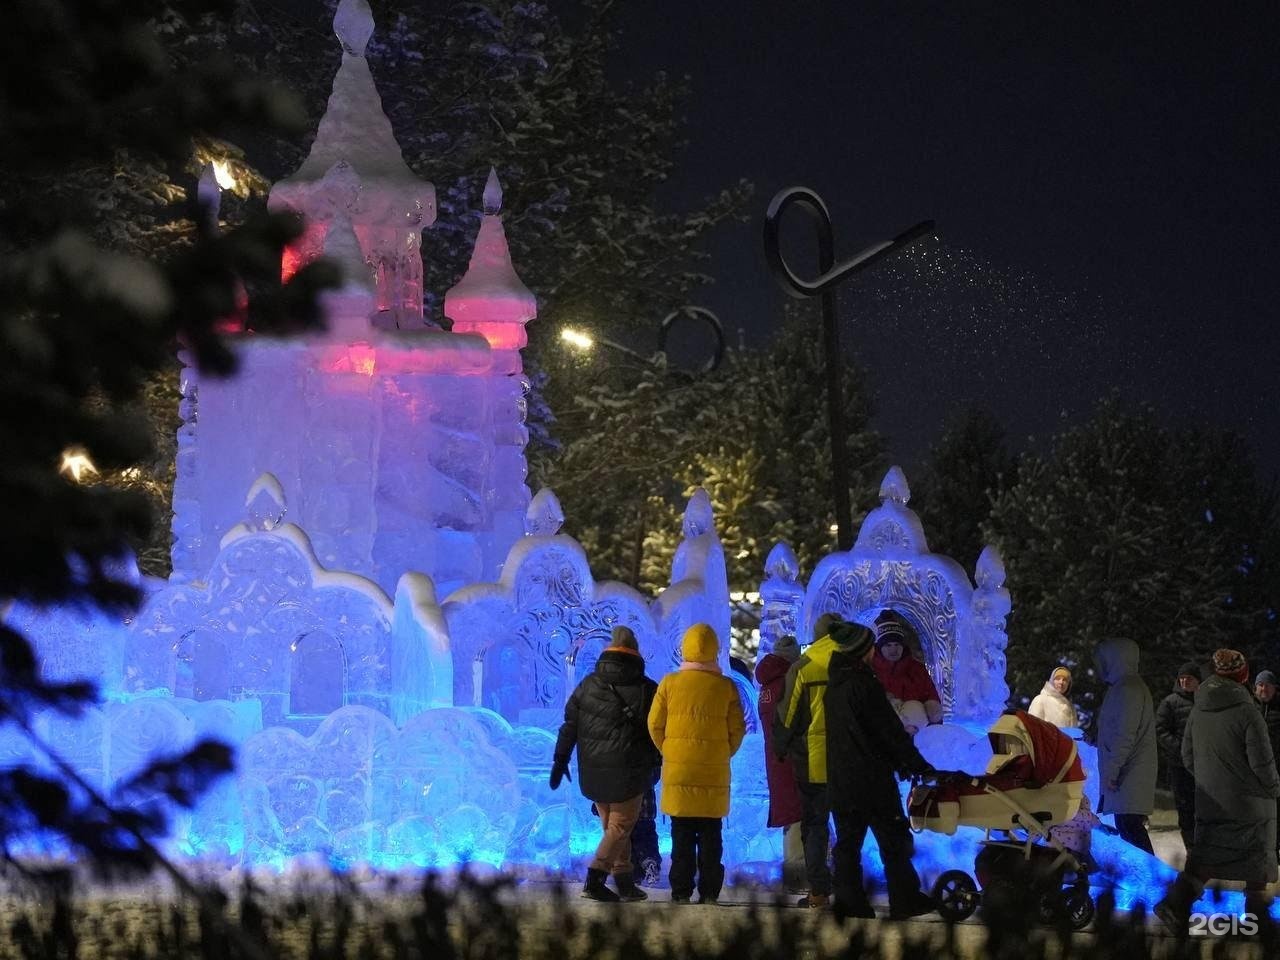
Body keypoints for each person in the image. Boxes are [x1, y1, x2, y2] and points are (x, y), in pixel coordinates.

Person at [1156, 649, 1280, 932]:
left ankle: (1176, 904)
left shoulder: (1199, 710)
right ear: (1243, 676)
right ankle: (1257, 919)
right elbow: (1262, 762)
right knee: (1256, 857)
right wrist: (1274, 787)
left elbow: (1187, 755)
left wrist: (1211, 780)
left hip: (1211, 799)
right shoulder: (1248, 712)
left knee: (1209, 856)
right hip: (1249, 804)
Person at [824, 619, 936, 921]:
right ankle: (905, 897)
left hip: (841, 776)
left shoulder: (834, 685)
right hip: (871, 776)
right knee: (893, 838)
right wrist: (914, 763)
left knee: (848, 842)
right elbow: (887, 730)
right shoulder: (865, 684)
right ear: (863, 651)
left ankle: (849, 901)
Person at [550, 625, 661, 902]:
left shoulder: (587, 684)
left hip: (593, 772)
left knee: (612, 827)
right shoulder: (647, 689)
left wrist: (560, 758)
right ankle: (595, 879)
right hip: (630, 772)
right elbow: (658, 729)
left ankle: (624, 880)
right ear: (635, 653)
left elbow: (570, 724)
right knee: (621, 827)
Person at [647, 623, 745, 905]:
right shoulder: (726, 687)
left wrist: (669, 749)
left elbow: (654, 724)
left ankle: (680, 891)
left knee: (681, 836)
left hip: (679, 770)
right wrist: (723, 752)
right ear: (715, 650)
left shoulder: (669, 683)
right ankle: (710, 891)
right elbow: (737, 729)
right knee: (712, 836)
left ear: (685, 650)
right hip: (714, 772)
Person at [773, 612, 843, 907]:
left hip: (811, 762)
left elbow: (787, 717)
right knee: (849, 826)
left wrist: (781, 746)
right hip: (848, 762)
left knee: (815, 826)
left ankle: (818, 891)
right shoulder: (854, 664)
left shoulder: (804, 667)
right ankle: (851, 887)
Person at [1093, 637, 1157, 854]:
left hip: (1128, 775)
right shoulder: (1124, 686)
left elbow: (1124, 735)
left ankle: (1152, 880)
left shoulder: (1128, 689)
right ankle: (1150, 879)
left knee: (1131, 829)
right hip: (1128, 775)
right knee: (1129, 828)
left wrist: (1112, 771)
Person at [755, 635, 803, 831]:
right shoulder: (789, 682)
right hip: (793, 754)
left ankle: (794, 853)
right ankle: (799, 857)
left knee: (787, 805)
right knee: (798, 808)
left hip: (774, 755)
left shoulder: (766, 684)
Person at [1156, 661, 1201, 851]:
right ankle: (1191, 849)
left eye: (1188, 678)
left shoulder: (1207, 701)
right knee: (1185, 808)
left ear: (1198, 680)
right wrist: (1181, 749)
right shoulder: (1170, 702)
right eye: (1181, 678)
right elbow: (1160, 730)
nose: (1184, 681)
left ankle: (1205, 848)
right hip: (1180, 765)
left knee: (1205, 809)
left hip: (1205, 766)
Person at [870, 617, 942, 735]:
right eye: (888, 645)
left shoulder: (917, 669)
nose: (893, 650)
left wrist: (933, 712)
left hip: (916, 734)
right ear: (879, 647)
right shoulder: (869, 670)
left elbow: (931, 696)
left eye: (897, 644)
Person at [1255, 668, 1280, 863]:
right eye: (1260, 685)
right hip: (1254, 773)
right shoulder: (1249, 709)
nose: (1264, 689)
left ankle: (1275, 852)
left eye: (1267, 685)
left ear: (1274, 688)